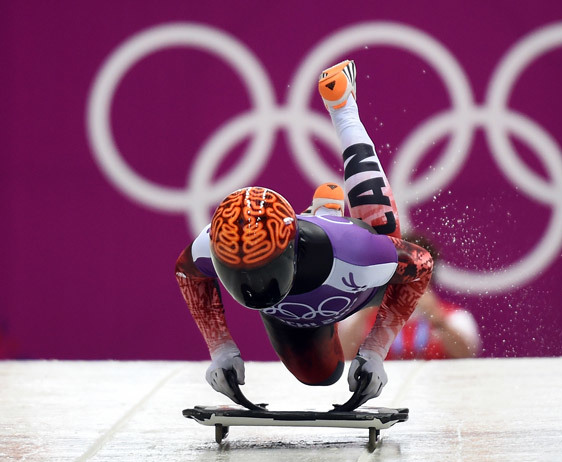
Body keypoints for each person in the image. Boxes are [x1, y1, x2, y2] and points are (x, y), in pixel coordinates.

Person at [174, 60, 433, 408]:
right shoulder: (211, 242)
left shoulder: (359, 252)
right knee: (321, 375)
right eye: (236, 273)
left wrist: (375, 350)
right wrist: (220, 347)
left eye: (261, 270)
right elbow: (185, 270)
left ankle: (343, 111)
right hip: (306, 299)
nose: (252, 286)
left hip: (354, 262)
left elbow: (420, 262)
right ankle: (324, 211)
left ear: (290, 252)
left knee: (383, 227)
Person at [338, 233, 481, 360]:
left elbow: (467, 358)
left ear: (430, 277)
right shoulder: (363, 315)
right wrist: (364, 312)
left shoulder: (455, 317)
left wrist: (439, 321)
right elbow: (343, 358)